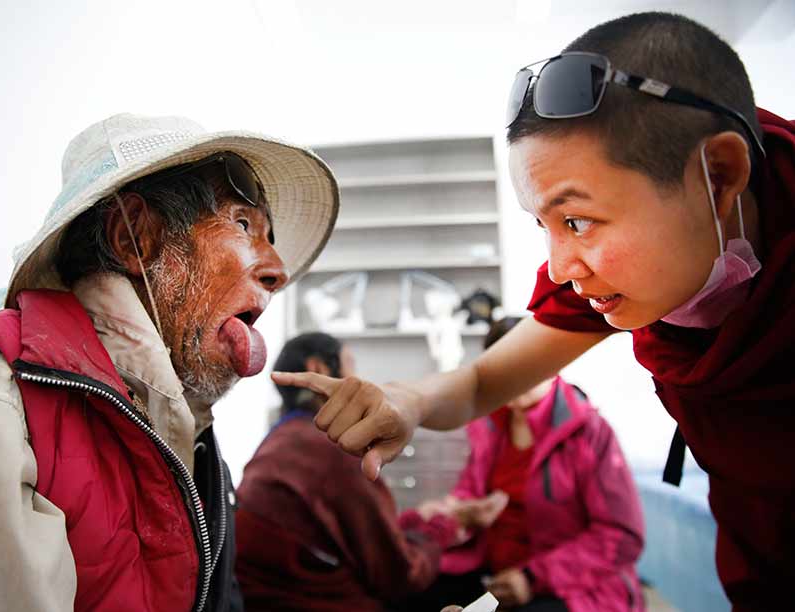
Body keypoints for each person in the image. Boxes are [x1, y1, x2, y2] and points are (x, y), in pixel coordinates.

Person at [273, 12, 795, 611]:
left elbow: (615, 538)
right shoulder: (629, 275)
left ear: (720, 173)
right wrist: (407, 401)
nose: (562, 268)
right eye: (542, 225)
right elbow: (481, 382)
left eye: (577, 221)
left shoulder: (585, 422)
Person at [0, 113, 338, 611]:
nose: (277, 271)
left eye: (270, 238)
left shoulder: (195, 448)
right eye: (242, 224)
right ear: (135, 238)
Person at [235, 332, 505, 611]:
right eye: (350, 364)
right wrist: (444, 527)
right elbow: (401, 575)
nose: (362, 380)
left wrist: (415, 521)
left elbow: (343, 537)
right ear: (318, 369)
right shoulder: (329, 449)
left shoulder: (279, 441)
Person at [408, 317, 644, 612]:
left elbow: (622, 537)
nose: (511, 381)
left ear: (552, 364)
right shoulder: (490, 426)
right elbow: (470, 489)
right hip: (495, 573)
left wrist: (531, 578)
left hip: (571, 583)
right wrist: (461, 511)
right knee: (413, 591)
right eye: (500, 371)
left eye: (522, 368)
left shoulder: (589, 433)